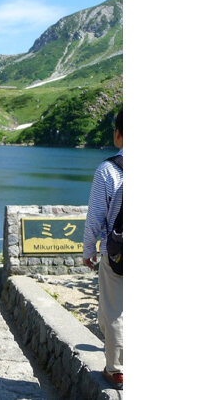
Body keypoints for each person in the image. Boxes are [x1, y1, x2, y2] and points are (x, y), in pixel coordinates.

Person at [83, 109, 123, 390]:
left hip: (120, 253)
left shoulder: (109, 169)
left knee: (115, 309)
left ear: (119, 134)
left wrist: (89, 250)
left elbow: (96, 217)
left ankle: (117, 370)